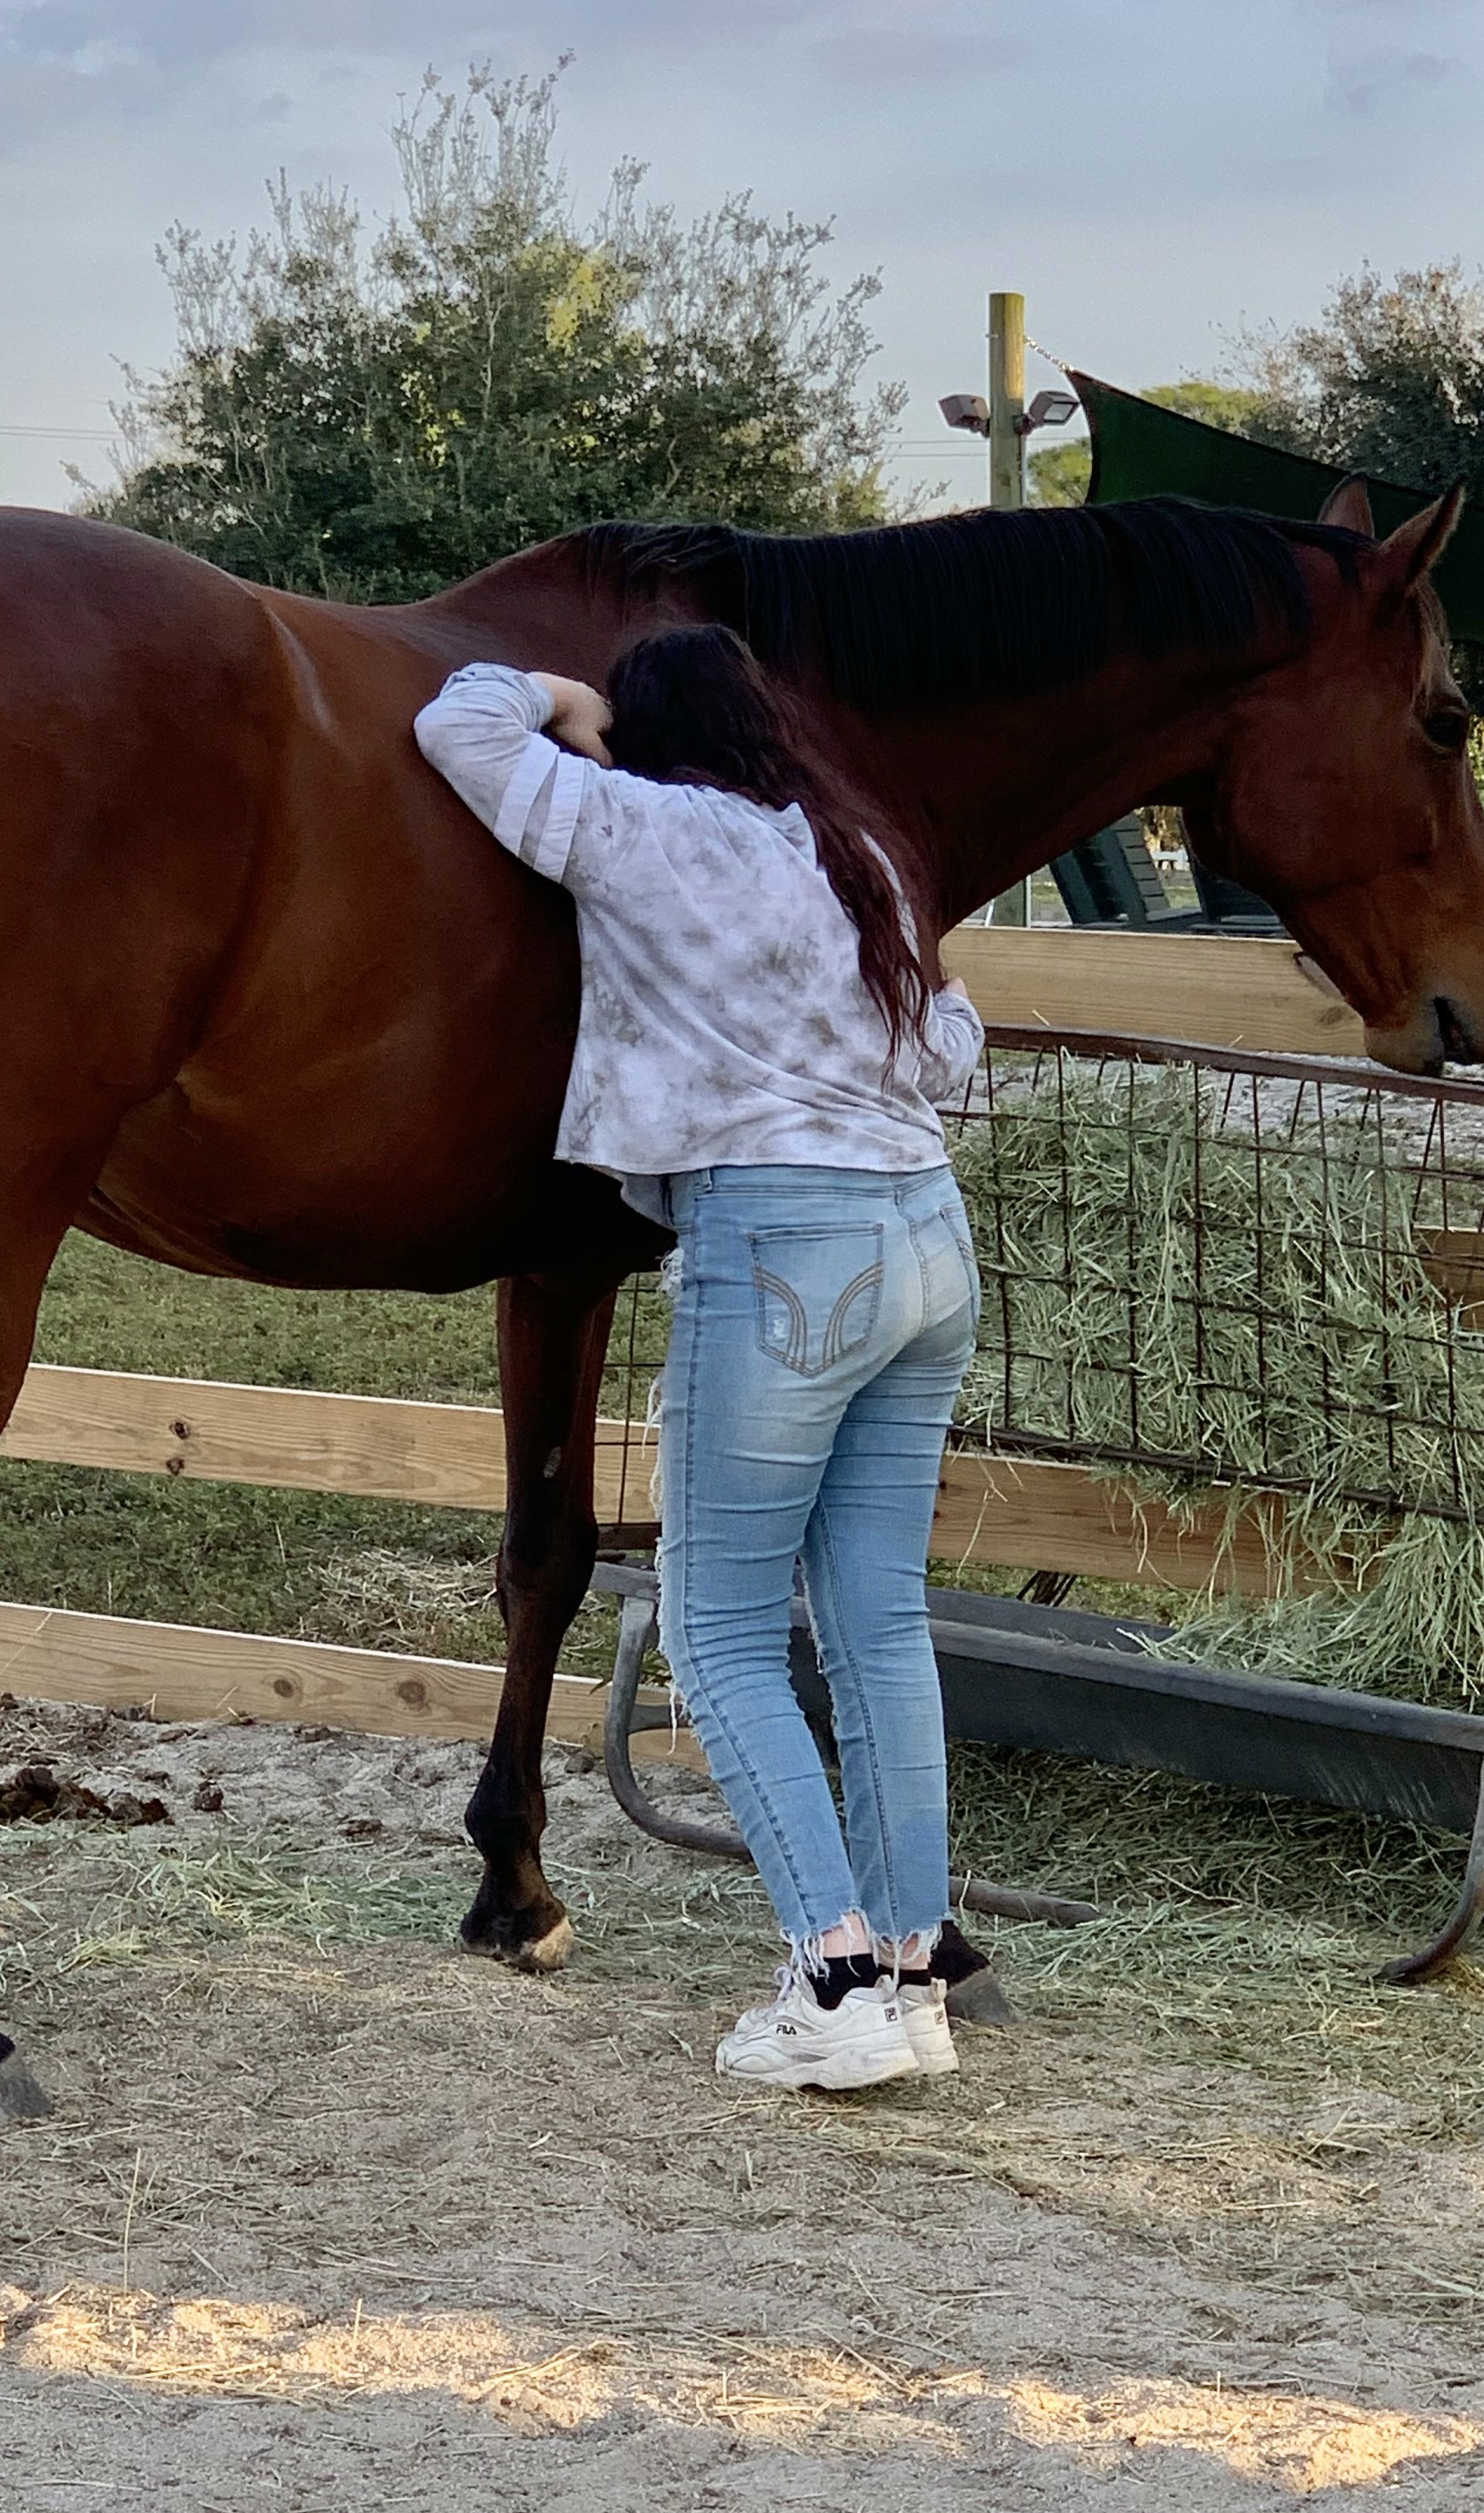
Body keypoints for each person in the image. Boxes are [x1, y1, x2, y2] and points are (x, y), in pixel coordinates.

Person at [413, 627, 996, 2093]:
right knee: (878, 1626)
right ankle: (916, 1974)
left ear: (654, 739)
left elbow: (459, 729)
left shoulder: (651, 829)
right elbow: (955, 1043)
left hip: (783, 1241)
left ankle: (835, 1978)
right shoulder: (849, 847)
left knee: (720, 1632)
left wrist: (560, 699)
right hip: (929, 1235)